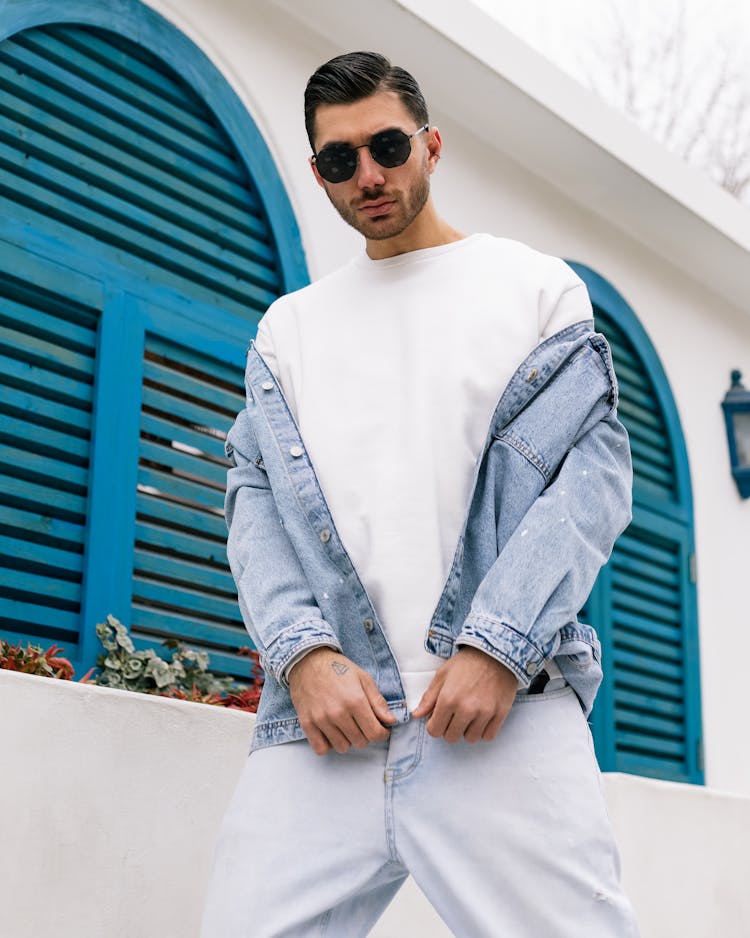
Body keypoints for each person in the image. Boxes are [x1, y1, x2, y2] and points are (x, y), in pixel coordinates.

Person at [199, 51, 641, 938]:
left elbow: (589, 487)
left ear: (431, 145)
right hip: (327, 725)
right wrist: (301, 654)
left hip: (501, 711)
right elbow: (253, 504)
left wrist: (498, 646)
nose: (368, 175)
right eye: (338, 160)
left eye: (388, 146)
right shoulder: (290, 331)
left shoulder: (536, 290)